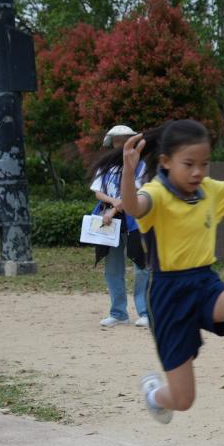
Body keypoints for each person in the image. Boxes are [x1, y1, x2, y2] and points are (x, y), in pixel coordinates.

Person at [119, 120, 224, 425]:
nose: (198, 172)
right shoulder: (156, 194)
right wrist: (128, 171)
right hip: (168, 294)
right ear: (166, 161)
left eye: (204, 164)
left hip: (203, 282)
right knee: (183, 400)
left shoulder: (207, 190)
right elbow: (133, 207)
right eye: (188, 164)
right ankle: (154, 395)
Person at [91, 125, 149, 328]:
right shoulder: (105, 166)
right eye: (117, 140)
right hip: (110, 222)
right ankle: (118, 313)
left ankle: (145, 312)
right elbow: (98, 192)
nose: (121, 143)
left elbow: (137, 192)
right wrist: (114, 203)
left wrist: (114, 208)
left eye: (125, 139)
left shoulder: (140, 165)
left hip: (135, 221)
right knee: (112, 268)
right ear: (112, 143)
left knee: (141, 267)